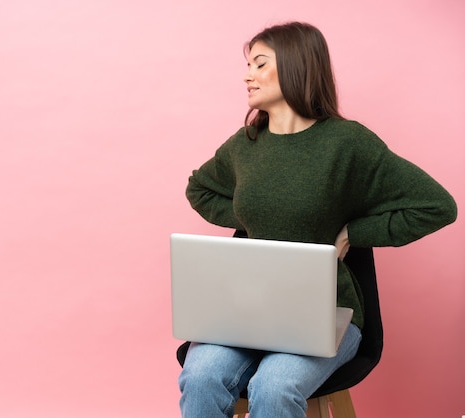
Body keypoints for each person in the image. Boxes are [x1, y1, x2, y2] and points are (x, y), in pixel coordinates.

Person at [177, 21, 457, 418]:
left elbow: (436, 206)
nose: (247, 75)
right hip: (248, 309)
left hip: (326, 311)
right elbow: (199, 190)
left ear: (295, 67)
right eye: (248, 65)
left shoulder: (347, 144)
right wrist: (252, 215)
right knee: (201, 377)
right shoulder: (246, 145)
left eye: (260, 64)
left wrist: (353, 232)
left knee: (274, 387)